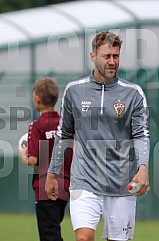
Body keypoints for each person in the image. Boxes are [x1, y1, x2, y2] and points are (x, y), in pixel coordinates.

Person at [45, 31, 150, 241]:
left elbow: (141, 134)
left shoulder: (133, 93)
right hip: (84, 180)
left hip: (121, 184)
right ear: (93, 56)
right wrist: (51, 173)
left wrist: (144, 167)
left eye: (116, 56)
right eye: (106, 56)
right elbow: (63, 133)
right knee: (83, 237)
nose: (112, 62)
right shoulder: (74, 90)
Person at [18, 77, 72, 241]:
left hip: (45, 188)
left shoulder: (37, 126)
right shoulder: (65, 124)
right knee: (54, 230)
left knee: (49, 235)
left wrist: (22, 152)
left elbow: (32, 160)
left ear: (36, 98)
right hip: (65, 186)